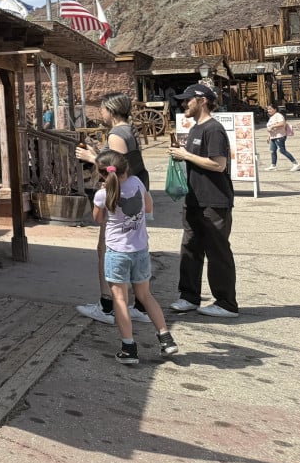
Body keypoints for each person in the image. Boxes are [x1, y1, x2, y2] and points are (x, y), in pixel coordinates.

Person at [91, 149, 178, 365]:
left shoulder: (102, 195)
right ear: (126, 167)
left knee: (120, 300)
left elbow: (98, 219)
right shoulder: (137, 183)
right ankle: (166, 338)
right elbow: (148, 207)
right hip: (140, 249)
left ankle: (129, 348)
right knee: (145, 295)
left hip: (117, 252)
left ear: (102, 174)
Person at [74, 93, 152, 326]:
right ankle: (139, 305)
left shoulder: (117, 134)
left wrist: (92, 157)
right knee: (132, 249)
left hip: (119, 202)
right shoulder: (128, 130)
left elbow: (116, 169)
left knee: (107, 250)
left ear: (110, 110)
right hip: (133, 198)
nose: (101, 112)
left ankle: (107, 305)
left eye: (102, 108)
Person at [167, 83, 238, 317]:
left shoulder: (213, 129)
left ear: (202, 101)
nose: (183, 104)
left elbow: (219, 164)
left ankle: (226, 303)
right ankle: (189, 297)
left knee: (217, 251)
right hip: (194, 199)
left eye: (187, 100)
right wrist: (181, 156)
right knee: (190, 248)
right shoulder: (195, 128)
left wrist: (186, 155)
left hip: (214, 200)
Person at [265, 104, 300, 171]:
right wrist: (269, 136)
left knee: (282, 150)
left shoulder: (278, 115)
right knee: (272, 151)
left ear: (275, 109)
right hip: (273, 137)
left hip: (279, 136)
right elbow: (269, 127)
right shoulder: (271, 117)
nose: (269, 110)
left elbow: (282, 123)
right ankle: (273, 165)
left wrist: (273, 126)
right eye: (268, 109)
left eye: (270, 109)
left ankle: (295, 163)